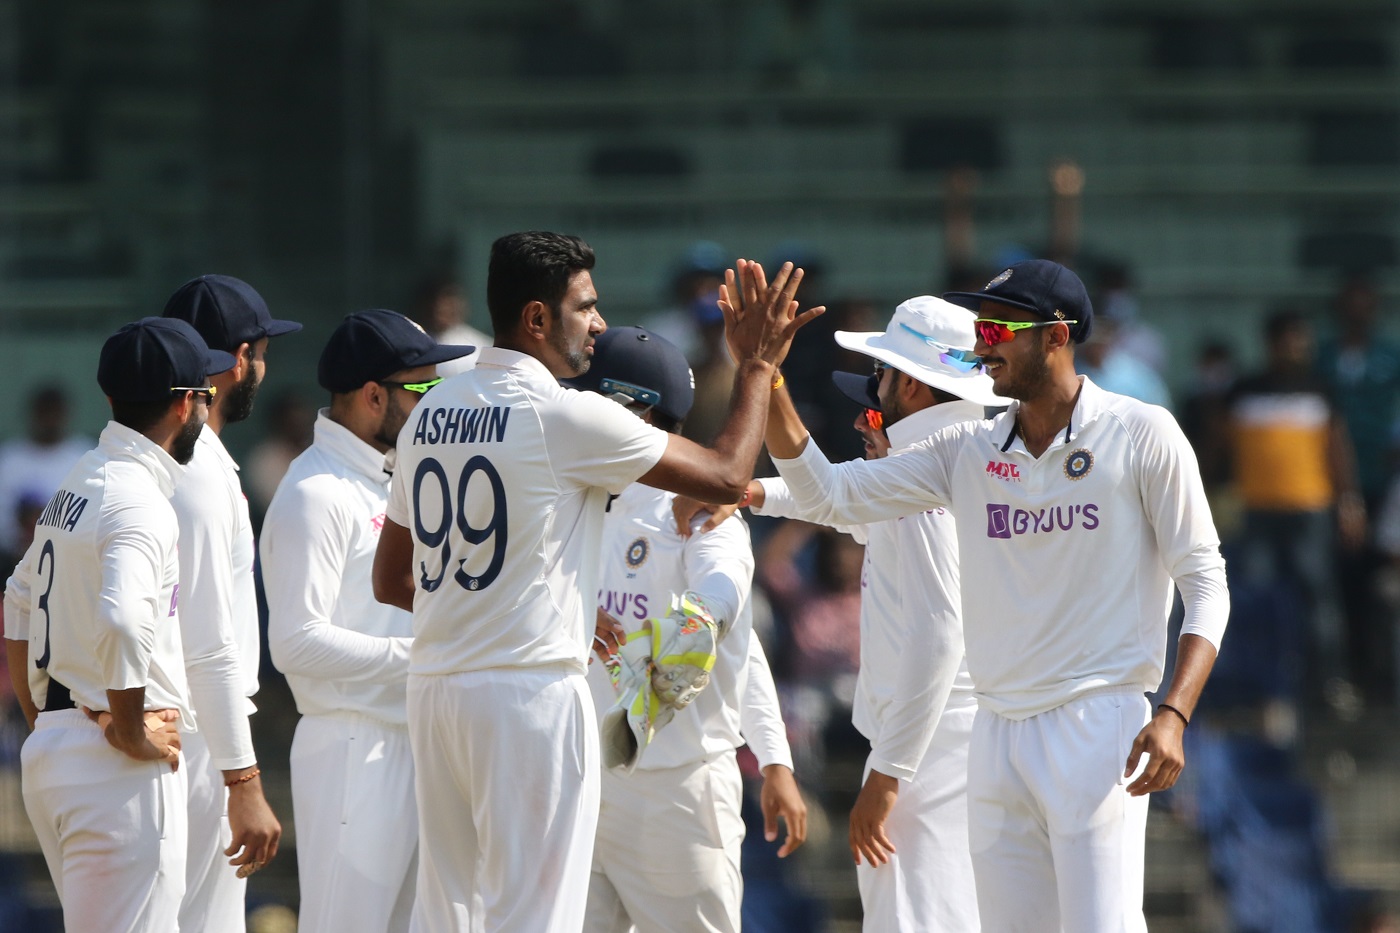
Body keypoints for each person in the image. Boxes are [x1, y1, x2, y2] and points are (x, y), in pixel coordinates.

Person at [752, 259, 1230, 932]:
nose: (984, 341)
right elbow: (826, 494)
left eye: (1001, 327)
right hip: (996, 732)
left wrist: (1175, 712)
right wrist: (765, 377)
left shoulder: (1141, 431)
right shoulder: (968, 449)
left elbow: (1205, 579)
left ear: (1056, 337)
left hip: (1097, 720)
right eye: (982, 325)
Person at [371, 232, 820, 933]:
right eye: (586, 306)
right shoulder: (564, 414)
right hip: (528, 699)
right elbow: (730, 474)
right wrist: (758, 365)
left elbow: (390, 577)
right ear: (537, 319)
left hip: (434, 691)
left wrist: (503, 615)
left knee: (449, 912)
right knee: (537, 917)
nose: (600, 323)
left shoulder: (429, 410)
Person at [725, 295, 1000, 931]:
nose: (864, 418)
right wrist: (747, 490)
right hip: (953, 731)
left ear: (909, 383)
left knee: (916, 918)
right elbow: (837, 499)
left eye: (874, 395)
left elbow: (941, 632)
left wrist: (887, 774)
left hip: (932, 740)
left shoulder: (927, 468)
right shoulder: (968, 453)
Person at [564, 326, 807, 933]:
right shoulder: (575, 499)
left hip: (678, 791)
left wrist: (773, 757)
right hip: (583, 786)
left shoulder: (696, 508)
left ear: (631, 409)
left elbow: (728, 619)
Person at [3, 317, 234, 932]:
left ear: (111, 398)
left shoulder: (80, 478)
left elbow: (16, 598)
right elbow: (125, 620)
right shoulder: (138, 498)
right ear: (187, 403)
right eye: (206, 398)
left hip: (60, 752)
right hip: (119, 771)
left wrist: (44, 715)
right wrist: (127, 729)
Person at [262, 310, 475, 933]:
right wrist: (423, 659)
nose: (438, 405)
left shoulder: (394, 479)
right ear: (373, 395)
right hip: (353, 744)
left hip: (413, 737)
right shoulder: (314, 493)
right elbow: (294, 643)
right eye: (425, 389)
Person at [163, 274, 297, 929]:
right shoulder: (198, 470)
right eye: (263, 354)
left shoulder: (162, 458)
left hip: (182, 732)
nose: (264, 371)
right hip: (193, 741)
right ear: (240, 359)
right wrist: (241, 780)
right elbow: (210, 642)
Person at [1227, 309, 1365, 715]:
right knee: (1256, 599)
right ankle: (1262, 688)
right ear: (1272, 343)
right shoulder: (1245, 390)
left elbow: (1338, 449)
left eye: (1303, 339)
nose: (1299, 346)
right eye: (1292, 338)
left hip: (1310, 510)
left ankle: (1328, 682)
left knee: (1319, 598)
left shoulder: (1320, 389)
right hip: (1257, 512)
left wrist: (1350, 502)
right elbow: (1218, 447)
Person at [0, 386, 94, 572]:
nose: (50, 420)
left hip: (73, 564)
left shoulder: (86, 456)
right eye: (44, 412)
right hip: (13, 563)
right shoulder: (9, 458)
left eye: (55, 412)